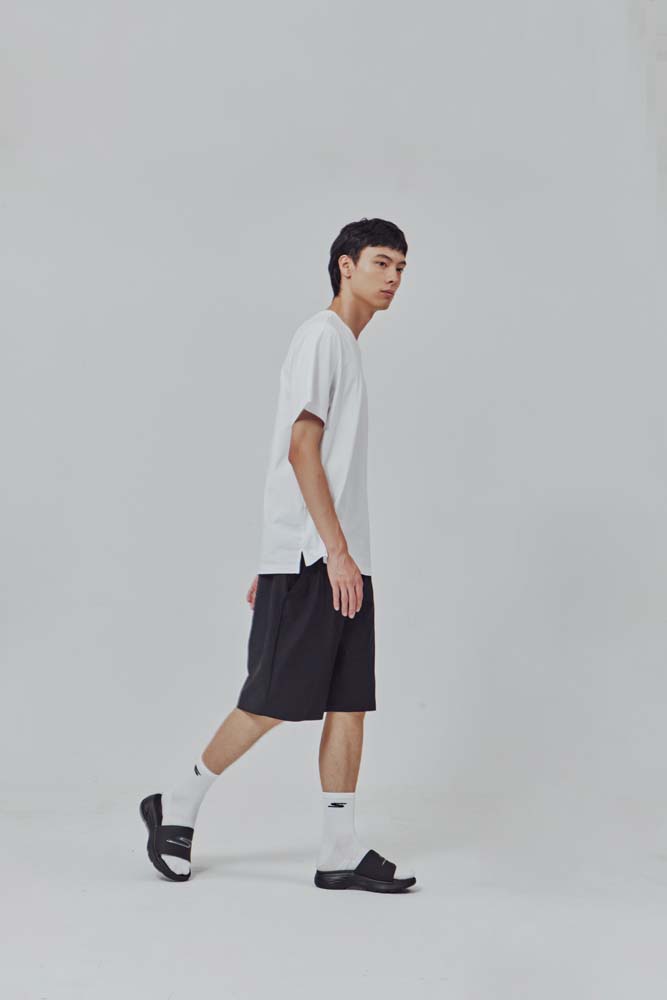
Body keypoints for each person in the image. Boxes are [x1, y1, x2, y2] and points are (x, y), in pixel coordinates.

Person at [140, 217, 416, 893]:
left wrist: (317, 551)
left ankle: (338, 849)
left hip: (335, 556)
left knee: (349, 702)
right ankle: (176, 803)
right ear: (345, 265)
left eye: (401, 268)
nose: (393, 278)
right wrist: (321, 553)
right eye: (381, 262)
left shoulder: (345, 347)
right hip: (320, 559)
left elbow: (312, 466)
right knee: (270, 700)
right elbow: (300, 449)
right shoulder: (322, 337)